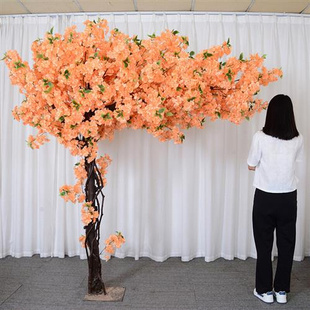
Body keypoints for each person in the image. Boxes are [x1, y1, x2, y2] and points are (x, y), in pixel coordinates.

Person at [247, 94, 304, 304]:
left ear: (270, 113)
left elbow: (251, 163)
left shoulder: (260, 137)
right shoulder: (298, 139)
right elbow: (298, 161)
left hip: (265, 196)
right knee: (286, 244)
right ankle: (281, 291)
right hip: (288, 197)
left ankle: (264, 291)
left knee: (264, 245)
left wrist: (257, 165)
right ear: (290, 115)